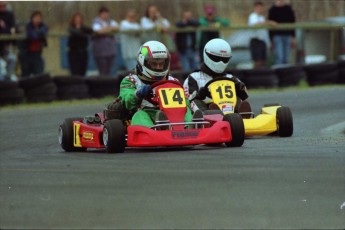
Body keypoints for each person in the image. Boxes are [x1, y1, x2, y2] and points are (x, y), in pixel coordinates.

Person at [111, 40, 201, 128]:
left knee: (186, 110)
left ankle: (192, 126)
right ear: (143, 62)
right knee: (140, 115)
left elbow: (185, 100)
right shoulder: (131, 80)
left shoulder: (172, 80)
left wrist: (193, 107)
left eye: (161, 64)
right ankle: (154, 130)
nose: (158, 67)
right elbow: (127, 100)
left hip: (173, 114)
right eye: (154, 64)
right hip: (146, 112)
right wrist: (138, 94)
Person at [183, 38, 248, 112]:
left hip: (232, 114)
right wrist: (199, 95)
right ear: (207, 54)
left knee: (239, 99)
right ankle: (210, 113)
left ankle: (245, 117)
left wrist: (241, 89)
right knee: (195, 101)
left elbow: (245, 96)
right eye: (216, 58)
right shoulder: (194, 78)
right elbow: (187, 100)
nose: (220, 63)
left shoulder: (231, 78)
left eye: (224, 59)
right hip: (207, 116)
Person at [20, 10, 48, 77]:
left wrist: (37, 32)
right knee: (26, 75)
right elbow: (32, 36)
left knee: (38, 75)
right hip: (27, 54)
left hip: (37, 54)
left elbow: (44, 30)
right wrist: (39, 33)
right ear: (32, 18)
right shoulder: (28, 26)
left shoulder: (43, 26)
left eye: (39, 18)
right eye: (36, 18)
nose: (37, 20)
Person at [91, 6, 118, 76]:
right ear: (100, 14)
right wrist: (109, 29)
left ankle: (108, 86)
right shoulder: (95, 22)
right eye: (104, 14)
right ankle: (102, 86)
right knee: (103, 71)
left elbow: (117, 27)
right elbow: (99, 31)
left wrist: (107, 29)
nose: (106, 15)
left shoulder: (110, 21)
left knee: (109, 71)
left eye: (107, 14)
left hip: (110, 51)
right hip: (100, 52)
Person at [248, 1, 275, 69]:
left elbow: (264, 32)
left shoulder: (262, 18)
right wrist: (268, 22)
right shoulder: (252, 16)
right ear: (255, 8)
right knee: (257, 61)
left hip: (262, 41)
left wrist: (269, 43)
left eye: (261, 7)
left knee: (264, 61)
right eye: (258, 7)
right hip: (255, 40)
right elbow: (255, 24)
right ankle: (254, 75)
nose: (259, 9)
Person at [268, 0, 296, 65]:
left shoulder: (289, 9)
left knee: (286, 57)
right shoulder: (272, 10)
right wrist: (271, 40)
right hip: (277, 36)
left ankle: (286, 73)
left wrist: (293, 37)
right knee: (279, 57)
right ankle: (279, 73)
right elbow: (270, 27)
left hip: (287, 35)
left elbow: (293, 23)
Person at [0, 1, 16, 80]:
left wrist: (5, 27)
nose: (2, 7)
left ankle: (7, 79)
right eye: (1, 5)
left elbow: (11, 30)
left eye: (4, 5)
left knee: (12, 59)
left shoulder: (9, 14)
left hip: (4, 47)